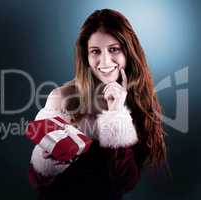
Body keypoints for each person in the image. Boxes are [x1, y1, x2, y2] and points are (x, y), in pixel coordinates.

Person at [28, 8, 168, 200]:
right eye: (95, 51)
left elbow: (125, 183)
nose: (104, 61)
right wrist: (47, 163)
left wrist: (117, 113)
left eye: (114, 49)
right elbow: (37, 181)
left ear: (128, 52)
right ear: (86, 56)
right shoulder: (62, 97)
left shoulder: (139, 102)